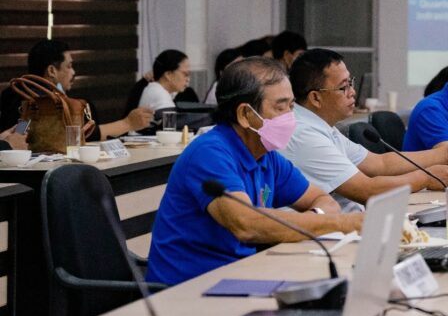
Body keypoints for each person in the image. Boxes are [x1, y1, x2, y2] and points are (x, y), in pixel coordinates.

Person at [146, 57, 362, 286]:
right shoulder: (209, 153)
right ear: (245, 115)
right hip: (189, 291)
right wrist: (342, 223)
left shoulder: (268, 156)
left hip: (244, 276)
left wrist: (316, 219)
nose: (291, 118)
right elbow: (247, 224)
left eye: (291, 107)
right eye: (281, 107)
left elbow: (324, 200)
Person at [281, 49, 448, 212]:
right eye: (343, 87)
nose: (352, 92)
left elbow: (380, 163)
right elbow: (367, 190)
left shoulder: (322, 127)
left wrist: (444, 154)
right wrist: (426, 178)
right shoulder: (304, 135)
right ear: (315, 98)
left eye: (351, 83)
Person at [0, 39, 152, 139]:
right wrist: (128, 124)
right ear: (52, 70)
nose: (73, 73)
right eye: (69, 66)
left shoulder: (12, 92)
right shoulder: (43, 100)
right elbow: (78, 137)